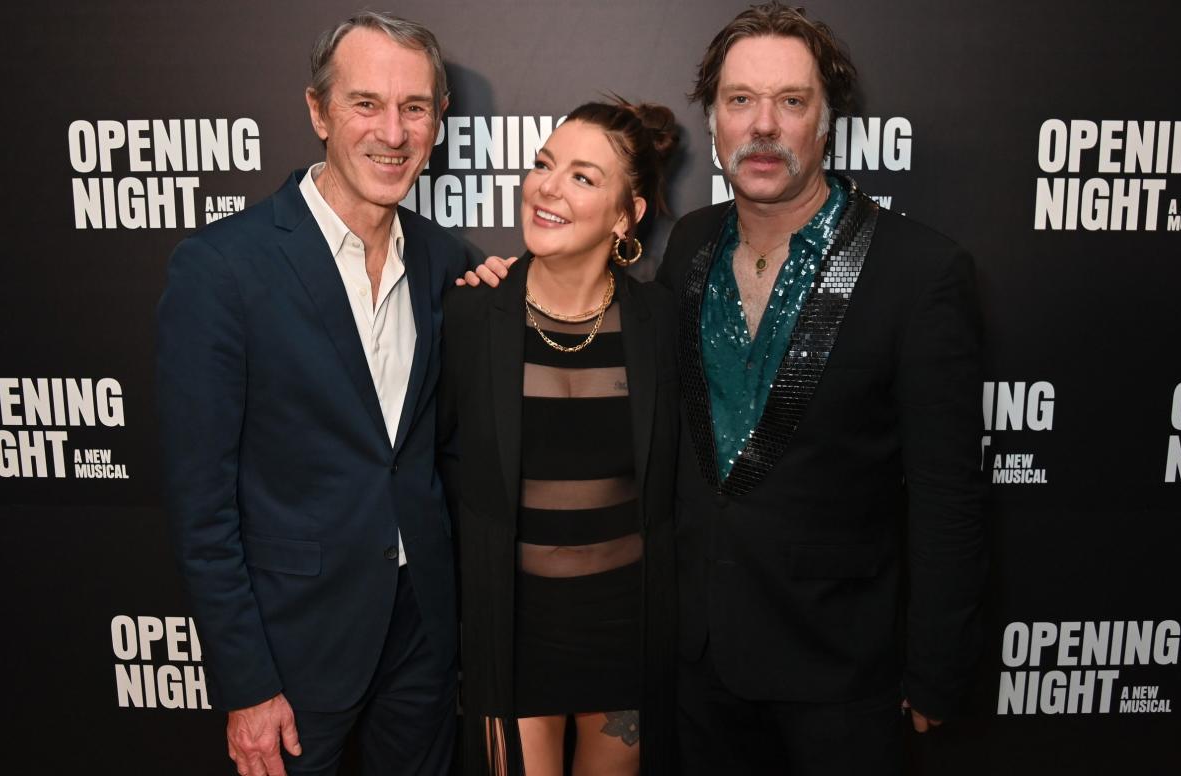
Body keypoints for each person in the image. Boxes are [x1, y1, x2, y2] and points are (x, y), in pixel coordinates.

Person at [463, 4, 987, 774]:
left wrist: (937, 667)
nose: (763, 125)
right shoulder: (690, 246)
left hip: (836, 673)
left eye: (790, 101)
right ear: (714, 120)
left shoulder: (920, 271)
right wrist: (508, 279)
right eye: (740, 100)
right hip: (690, 664)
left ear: (826, 120)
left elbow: (948, 493)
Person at [157, 12, 476, 776]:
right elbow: (201, 505)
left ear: (436, 121)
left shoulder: (446, 264)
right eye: (366, 103)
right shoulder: (222, 268)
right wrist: (247, 683)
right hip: (292, 648)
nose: (392, 133)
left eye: (415, 107)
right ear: (317, 112)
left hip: (422, 639)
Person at [438, 99, 681, 775]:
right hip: (508, 639)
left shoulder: (661, 323)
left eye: (582, 177)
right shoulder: (467, 314)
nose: (546, 187)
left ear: (626, 215)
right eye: (545, 164)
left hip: (626, 639)